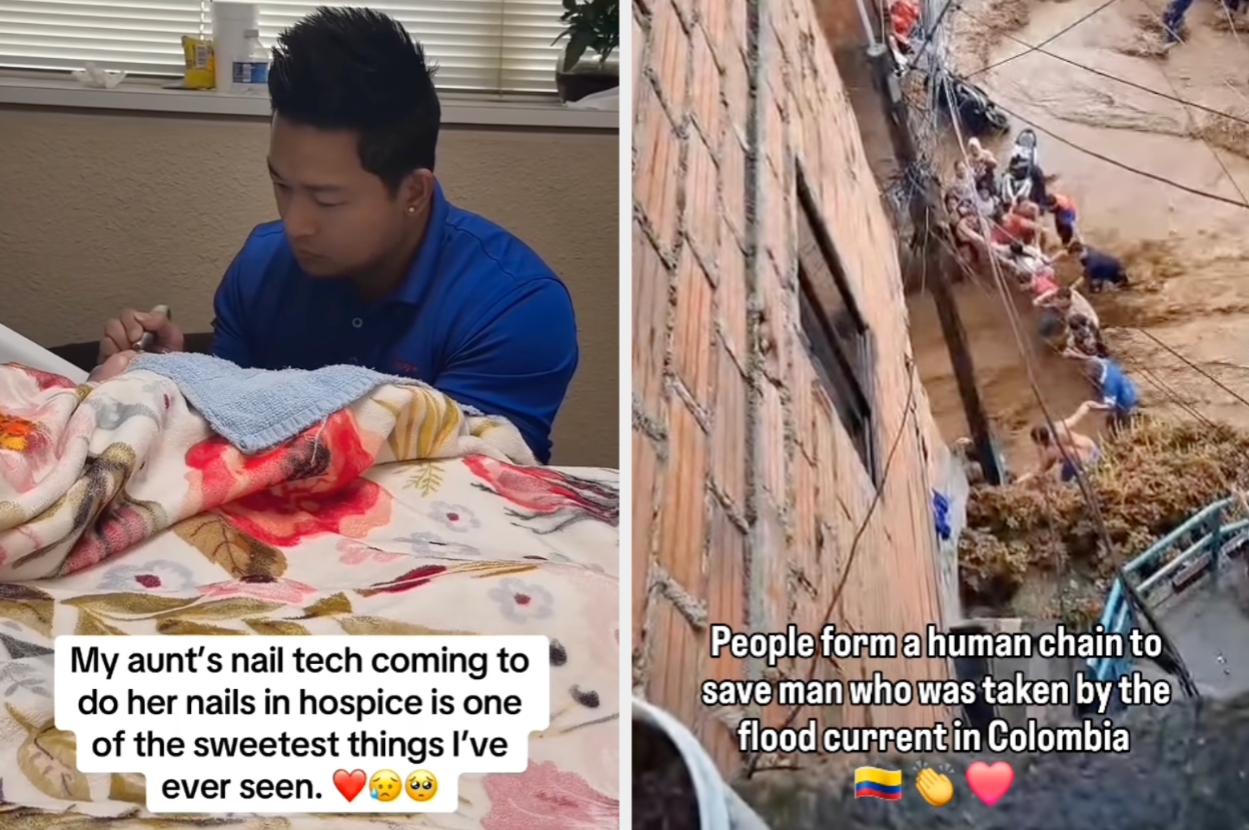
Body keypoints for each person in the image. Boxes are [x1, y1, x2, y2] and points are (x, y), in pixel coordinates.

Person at [95, 9, 578, 464]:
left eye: (327, 200)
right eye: (282, 186)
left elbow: (472, 486)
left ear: (413, 191)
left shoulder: (516, 309)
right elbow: (225, 436)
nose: (295, 224)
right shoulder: (262, 267)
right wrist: (169, 386)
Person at [1017, 401, 1103, 484]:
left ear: (1040, 442)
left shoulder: (1050, 452)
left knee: (1066, 483)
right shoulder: (1059, 427)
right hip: (1090, 448)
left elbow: (1040, 470)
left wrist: (1021, 480)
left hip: (1084, 464)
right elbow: (1086, 405)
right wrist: (1105, 407)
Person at [1079, 356, 1140, 429]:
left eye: (1091, 377)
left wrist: (1093, 407)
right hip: (1129, 386)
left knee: (1116, 425)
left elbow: (1109, 405)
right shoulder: (1106, 364)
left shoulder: (1109, 384)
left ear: (1096, 376)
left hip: (1127, 402)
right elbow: (1094, 358)